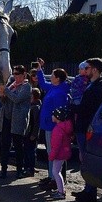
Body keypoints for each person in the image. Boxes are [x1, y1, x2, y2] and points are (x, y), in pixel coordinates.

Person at [72, 57, 102, 202]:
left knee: (87, 158)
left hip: (88, 127)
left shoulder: (98, 87)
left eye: (87, 68)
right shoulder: (93, 85)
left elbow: (87, 108)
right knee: (84, 158)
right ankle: (88, 189)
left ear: (94, 70)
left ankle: (90, 191)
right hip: (84, 126)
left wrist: (72, 108)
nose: (84, 71)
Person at [36, 58, 70, 191]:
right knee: (50, 152)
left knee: (53, 153)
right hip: (48, 125)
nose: (50, 77)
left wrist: (54, 123)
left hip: (54, 127)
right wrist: (39, 70)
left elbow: (60, 112)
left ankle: (54, 179)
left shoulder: (61, 92)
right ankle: (51, 176)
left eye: (52, 75)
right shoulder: (54, 87)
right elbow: (43, 84)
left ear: (57, 78)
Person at [0, 65, 32, 178]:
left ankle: (19, 169)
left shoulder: (26, 86)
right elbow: (5, 100)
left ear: (24, 75)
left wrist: (6, 90)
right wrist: (1, 95)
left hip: (18, 120)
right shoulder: (12, 86)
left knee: (18, 146)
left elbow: (17, 99)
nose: (15, 76)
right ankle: (3, 169)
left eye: (17, 74)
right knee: (5, 145)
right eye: (14, 73)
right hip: (7, 118)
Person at [49, 106, 73, 200]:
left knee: (56, 172)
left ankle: (61, 192)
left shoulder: (57, 130)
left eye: (53, 115)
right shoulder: (64, 127)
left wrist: (51, 156)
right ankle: (61, 190)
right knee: (58, 171)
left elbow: (56, 146)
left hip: (59, 155)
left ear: (57, 117)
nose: (52, 116)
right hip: (63, 153)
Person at [23, 88, 41, 177]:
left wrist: (34, 134)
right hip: (28, 133)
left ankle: (30, 169)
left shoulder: (36, 108)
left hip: (31, 134)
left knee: (30, 152)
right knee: (28, 151)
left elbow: (36, 123)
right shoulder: (32, 106)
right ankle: (28, 167)